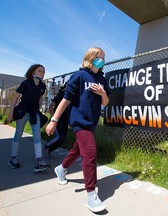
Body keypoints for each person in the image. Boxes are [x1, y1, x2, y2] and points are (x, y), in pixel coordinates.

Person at [45, 47, 110, 213]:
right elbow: (66, 100)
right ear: (90, 58)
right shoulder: (79, 76)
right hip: (79, 121)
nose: (101, 60)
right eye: (98, 57)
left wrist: (102, 93)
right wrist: (54, 120)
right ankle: (91, 195)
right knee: (90, 153)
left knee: (77, 149)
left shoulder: (102, 79)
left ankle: (61, 168)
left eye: (103, 58)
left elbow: (105, 102)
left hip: (91, 123)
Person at [6, 64, 51, 172]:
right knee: (19, 133)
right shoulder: (26, 83)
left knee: (37, 135)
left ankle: (39, 161)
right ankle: (13, 158)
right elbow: (15, 98)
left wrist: (39, 111)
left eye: (44, 71)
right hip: (23, 111)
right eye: (40, 70)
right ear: (33, 72)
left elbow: (40, 99)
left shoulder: (43, 86)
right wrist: (10, 114)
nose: (42, 73)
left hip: (34, 112)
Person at [44, 82, 69, 157]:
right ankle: (47, 146)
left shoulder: (73, 95)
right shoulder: (63, 93)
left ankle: (49, 149)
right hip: (58, 119)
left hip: (65, 119)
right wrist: (53, 118)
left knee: (63, 137)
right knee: (60, 136)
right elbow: (51, 106)